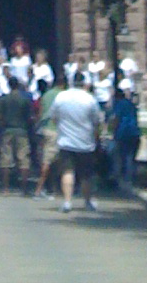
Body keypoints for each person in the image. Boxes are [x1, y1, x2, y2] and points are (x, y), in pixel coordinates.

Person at [51, 71, 102, 213]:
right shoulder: (89, 99)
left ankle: (67, 202)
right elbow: (96, 121)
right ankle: (87, 202)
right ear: (84, 83)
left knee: (67, 172)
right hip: (85, 143)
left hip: (66, 141)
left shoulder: (61, 97)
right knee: (86, 175)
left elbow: (54, 118)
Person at [0, 76, 31, 194]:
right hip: (22, 131)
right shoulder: (24, 100)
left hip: (8, 130)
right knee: (23, 159)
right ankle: (24, 189)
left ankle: (5, 188)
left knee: (6, 159)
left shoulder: (4, 100)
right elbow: (29, 117)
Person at [109, 85, 141, 194]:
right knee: (130, 157)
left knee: (122, 157)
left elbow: (116, 119)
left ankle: (122, 180)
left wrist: (113, 131)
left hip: (123, 133)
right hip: (134, 132)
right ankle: (130, 180)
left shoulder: (119, 105)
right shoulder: (130, 104)